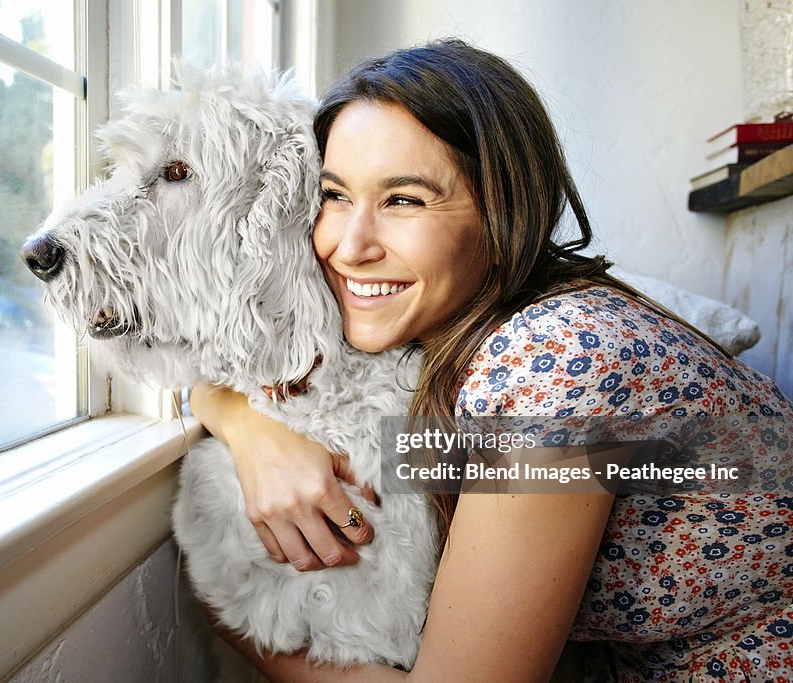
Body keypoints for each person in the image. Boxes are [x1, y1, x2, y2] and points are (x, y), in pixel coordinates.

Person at [190, 38, 793, 681]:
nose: (349, 244)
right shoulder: (424, 327)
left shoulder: (554, 367)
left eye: (405, 200)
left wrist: (236, 615)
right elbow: (210, 363)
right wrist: (252, 432)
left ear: (502, 212)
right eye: (336, 195)